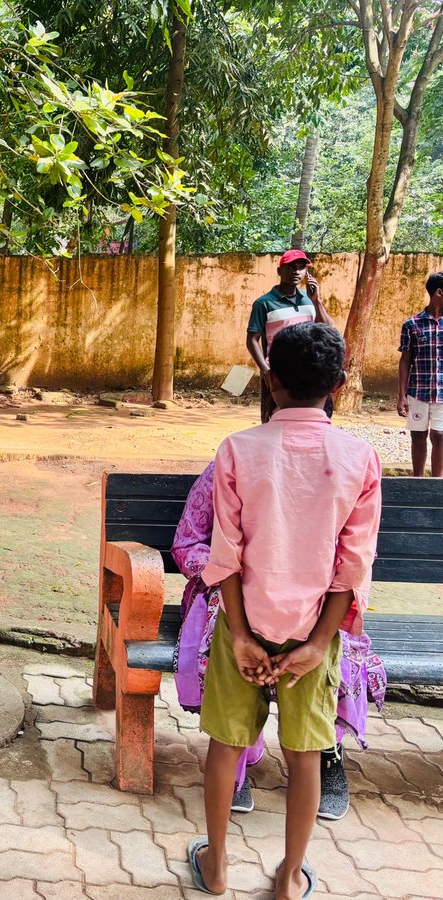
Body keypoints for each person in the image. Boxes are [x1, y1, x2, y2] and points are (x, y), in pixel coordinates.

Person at [190, 323, 381, 899]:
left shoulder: (237, 450)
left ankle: (217, 866)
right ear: (340, 386)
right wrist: (319, 643)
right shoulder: (359, 459)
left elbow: (225, 556)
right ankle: (290, 876)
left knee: (226, 746)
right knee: (307, 755)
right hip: (313, 631)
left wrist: (243, 637)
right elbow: (353, 567)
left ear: (270, 381)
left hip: (244, 624)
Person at [173, 461, 386, 821]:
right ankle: (234, 750)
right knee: (219, 642)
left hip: (313, 599)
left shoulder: (343, 466)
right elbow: (188, 542)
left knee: (341, 651)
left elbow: (356, 555)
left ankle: (327, 752)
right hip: (230, 595)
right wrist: (239, 576)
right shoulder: (237, 460)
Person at [246, 249, 334, 423]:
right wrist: (265, 371)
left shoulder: (309, 300)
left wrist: (317, 301)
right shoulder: (264, 303)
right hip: (278, 372)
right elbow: (252, 340)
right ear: (280, 271)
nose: (296, 271)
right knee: (274, 418)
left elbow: (327, 328)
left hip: (308, 370)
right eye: (290, 267)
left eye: (301, 267)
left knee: (308, 419)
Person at [397, 271, 443, 477]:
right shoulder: (412, 324)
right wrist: (401, 396)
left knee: (440, 435)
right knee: (418, 435)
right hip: (418, 392)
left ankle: (436, 483)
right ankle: (417, 481)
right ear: (439, 292)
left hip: (442, 394)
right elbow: (405, 360)